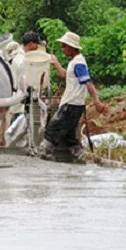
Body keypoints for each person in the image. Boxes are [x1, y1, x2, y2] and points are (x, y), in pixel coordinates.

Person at [40, 31, 107, 163]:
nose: (63, 49)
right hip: (73, 103)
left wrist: (96, 100)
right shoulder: (74, 62)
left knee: (53, 128)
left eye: (65, 46)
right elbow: (65, 76)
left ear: (72, 47)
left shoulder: (78, 63)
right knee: (69, 135)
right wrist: (56, 63)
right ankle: (81, 157)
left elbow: (88, 82)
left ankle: (45, 152)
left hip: (72, 103)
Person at [4, 31, 41, 147]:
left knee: (15, 135)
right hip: (22, 104)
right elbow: (26, 85)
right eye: (36, 44)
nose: (37, 48)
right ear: (30, 44)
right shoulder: (24, 61)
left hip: (15, 102)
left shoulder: (17, 58)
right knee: (20, 136)